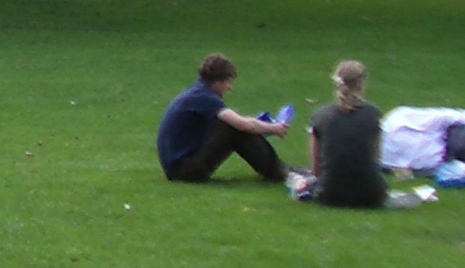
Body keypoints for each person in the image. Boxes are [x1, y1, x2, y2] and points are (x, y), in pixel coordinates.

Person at [157, 53, 290, 183]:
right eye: (228, 82)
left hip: (176, 166)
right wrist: (274, 128)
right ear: (217, 81)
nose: (229, 87)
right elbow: (243, 124)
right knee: (233, 127)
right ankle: (279, 171)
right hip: (182, 170)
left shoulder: (197, 92)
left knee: (230, 124)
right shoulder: (204, 97)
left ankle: (277, 169)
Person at [304, 61, 388, 208]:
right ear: (362, 84)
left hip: (329, 194)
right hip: (371, 194)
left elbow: (316, 169)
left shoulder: (319, 116)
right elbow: (375, 159)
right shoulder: (374, 114)